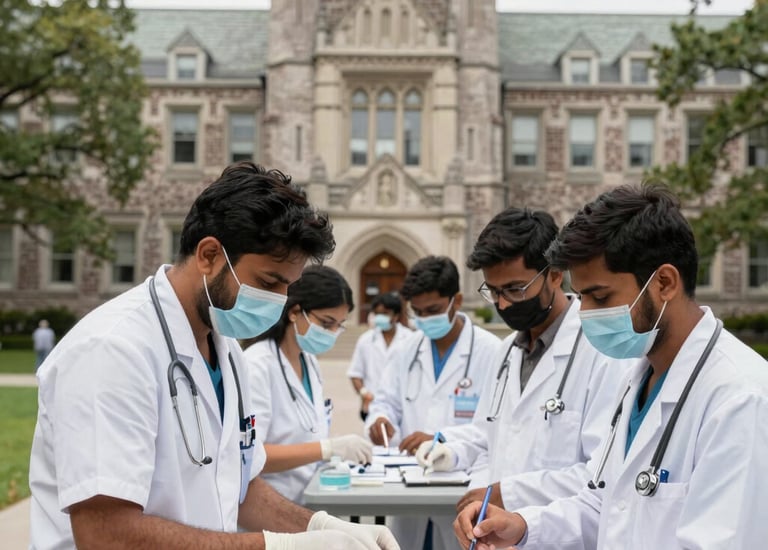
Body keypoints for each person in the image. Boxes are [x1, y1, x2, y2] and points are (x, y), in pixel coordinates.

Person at [29, 162, 399, 550]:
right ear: (209, 255)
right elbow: (106, 535)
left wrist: (320, 527)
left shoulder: (227, 352)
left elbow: (240, 487)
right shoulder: (111, 351)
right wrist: (275, 546)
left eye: (287, 288)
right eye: (268, 282)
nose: (278, 302)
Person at [454, 184, 768, 549]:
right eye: (583, 295)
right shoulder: (641, 378)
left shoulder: (740, 398)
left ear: (664, 282)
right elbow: (605, 503)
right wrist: (524, 527)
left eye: (600, 296)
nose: (585, 312)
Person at [414, 208, 624, 518]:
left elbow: (603, 474)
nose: (502, 304)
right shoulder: (506, 353)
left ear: (554, 274)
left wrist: (507, 494)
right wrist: (474, 485)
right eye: (493, 291)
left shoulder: (601, 354)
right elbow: (490, 442)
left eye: (514, 289)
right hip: (499, 533)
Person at [366, 255, 501, 550]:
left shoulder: (493, 351)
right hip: (407, 486)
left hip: (462, 487)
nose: (425, 319)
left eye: (434, 310)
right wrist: (380, 419)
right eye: (418, 312)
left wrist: (442, 439)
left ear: (456, 300)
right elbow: (385, 401)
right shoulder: (406, 349)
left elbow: (495, 428)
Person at [243, 265, 372, 504]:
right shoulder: (257, 365)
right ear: (294, 311)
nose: (333, 333)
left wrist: (335, 456)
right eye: (326, 323)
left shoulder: (309, 361)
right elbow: (250, 456)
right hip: (268, 507)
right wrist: (327, 449)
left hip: (307, 499)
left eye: (340, 325)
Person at [347, 292, 412, 421]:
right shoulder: (365, 340)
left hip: (403, 407)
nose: (380, 317)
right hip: (373, 405)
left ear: (396, 315)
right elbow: (355, 373)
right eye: (377, 313)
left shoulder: (410, 339)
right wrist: (364, 393)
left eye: (385, 313)